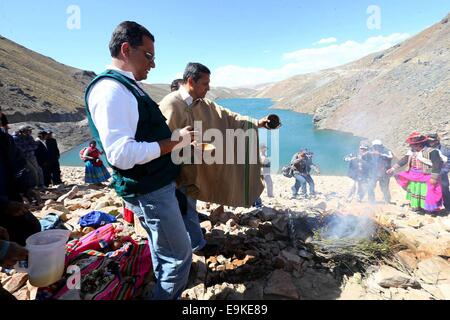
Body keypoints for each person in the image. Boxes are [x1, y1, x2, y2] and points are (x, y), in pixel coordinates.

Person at [85, 21, 196, 300]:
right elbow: (121, 155)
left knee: (162, 247)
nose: (153, 64)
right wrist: (175, 142)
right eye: (148, 55)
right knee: (179, 257)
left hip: (151, 187)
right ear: (126, 49)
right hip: (151, 190)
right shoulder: (112, 90)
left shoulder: (125, 86)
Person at [159, 62, 273, 209]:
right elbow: (161, 142)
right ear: (191, 81)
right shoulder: (172, 103)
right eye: (205, 83)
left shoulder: (204, 104)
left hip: (192, 172)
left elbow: (229, 117)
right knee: (182, 212)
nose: (208, 88)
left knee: (187, 209)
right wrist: (185, 145)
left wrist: (257, 123)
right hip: (173, 175)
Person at [387, 132, 446, 213]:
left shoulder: (432, 152)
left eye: (414, 144)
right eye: (412, 144)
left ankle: (430, 209)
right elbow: (404, 160)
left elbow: (437, 164)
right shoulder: (412, 152)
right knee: (416, 191)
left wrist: (434, 178)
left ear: (420, 144)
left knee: (428, 192)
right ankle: (418, 207)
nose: (412, 146)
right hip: (413, 174)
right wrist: (393, 168)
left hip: (427, 175)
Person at [426, 133, 450, 210]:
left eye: (431, 141)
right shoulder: (426, 149)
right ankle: (433, 207)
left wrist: (442, 172)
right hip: (429, 174)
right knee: (430, 191)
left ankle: (447, 206)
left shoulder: (444, 150)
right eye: (428, 140)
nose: (430, 142)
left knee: (444, 189)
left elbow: (448, 163)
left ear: (437, 141)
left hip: (441, 174)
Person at [367, 140, 393, 204]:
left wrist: (380, 154)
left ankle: (387, 200)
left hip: (384, 173)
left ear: (381, 146)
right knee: (370, 186)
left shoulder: (387, 151)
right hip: (374, 173)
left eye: (377, 146)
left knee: (384, 187)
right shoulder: (371, 151)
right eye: (374, 146)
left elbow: (390, 157)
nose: (376, 147)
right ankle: (371, 200)